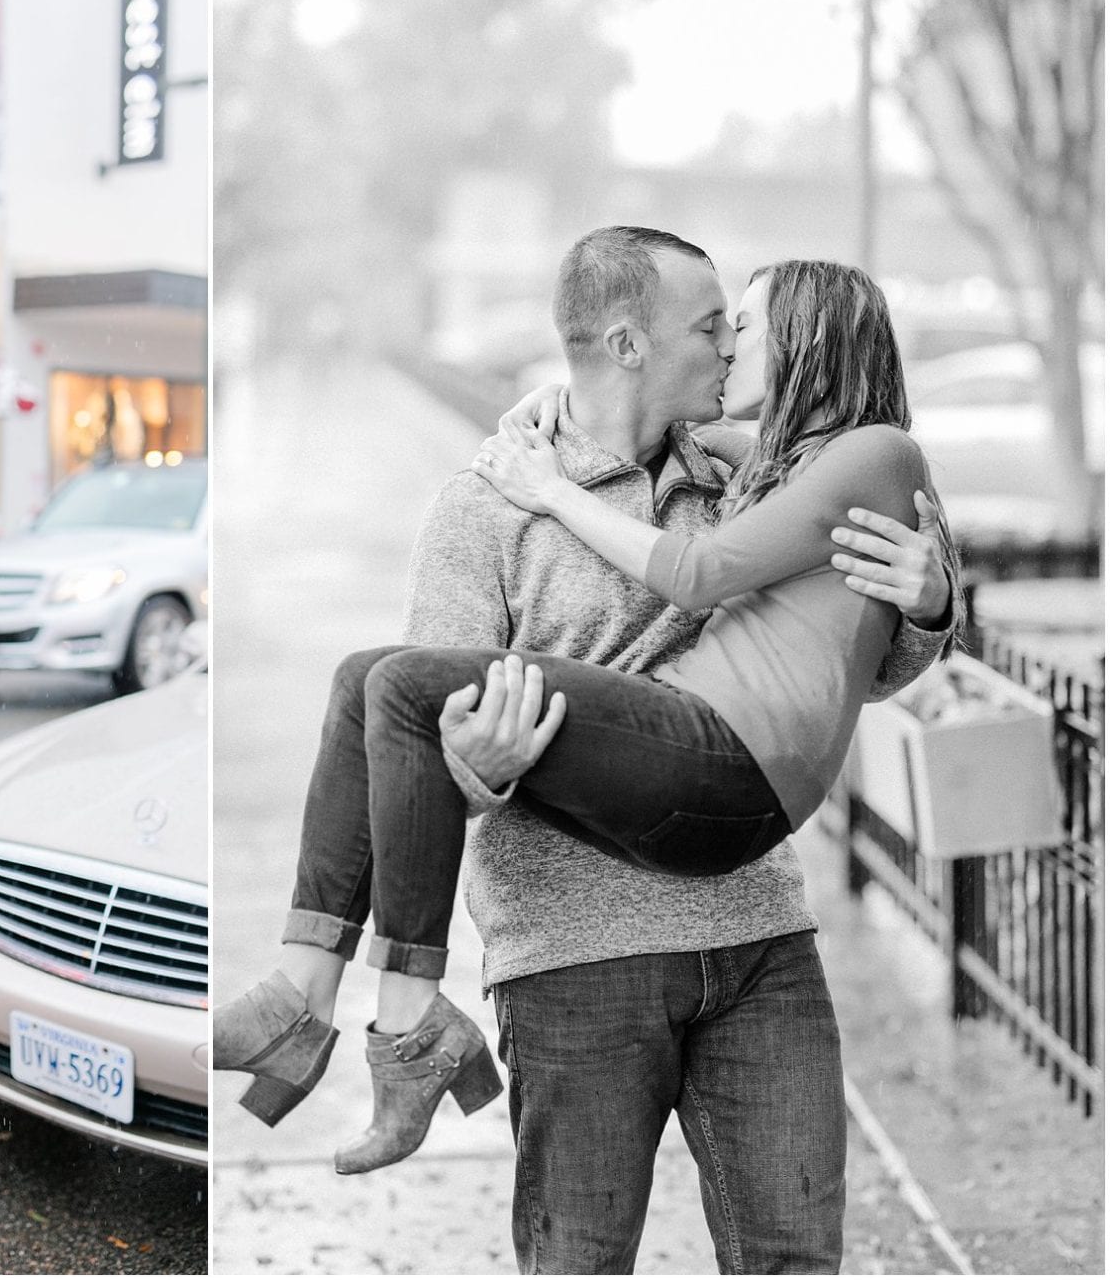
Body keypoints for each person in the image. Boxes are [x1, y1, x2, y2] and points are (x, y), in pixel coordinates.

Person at [216, 229, 957, 1272]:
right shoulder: (485, 508)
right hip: (577, 957)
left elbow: (853, 662)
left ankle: (366, 1009)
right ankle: (317, 998)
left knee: (798, 1254)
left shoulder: (732, 476)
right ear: (625, 343)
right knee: (579, 1261)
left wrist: (929, 603)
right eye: (712, 327)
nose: (728, 344)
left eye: (740, 326)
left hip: (755, 930)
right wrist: (482, 764)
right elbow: (421, 756)